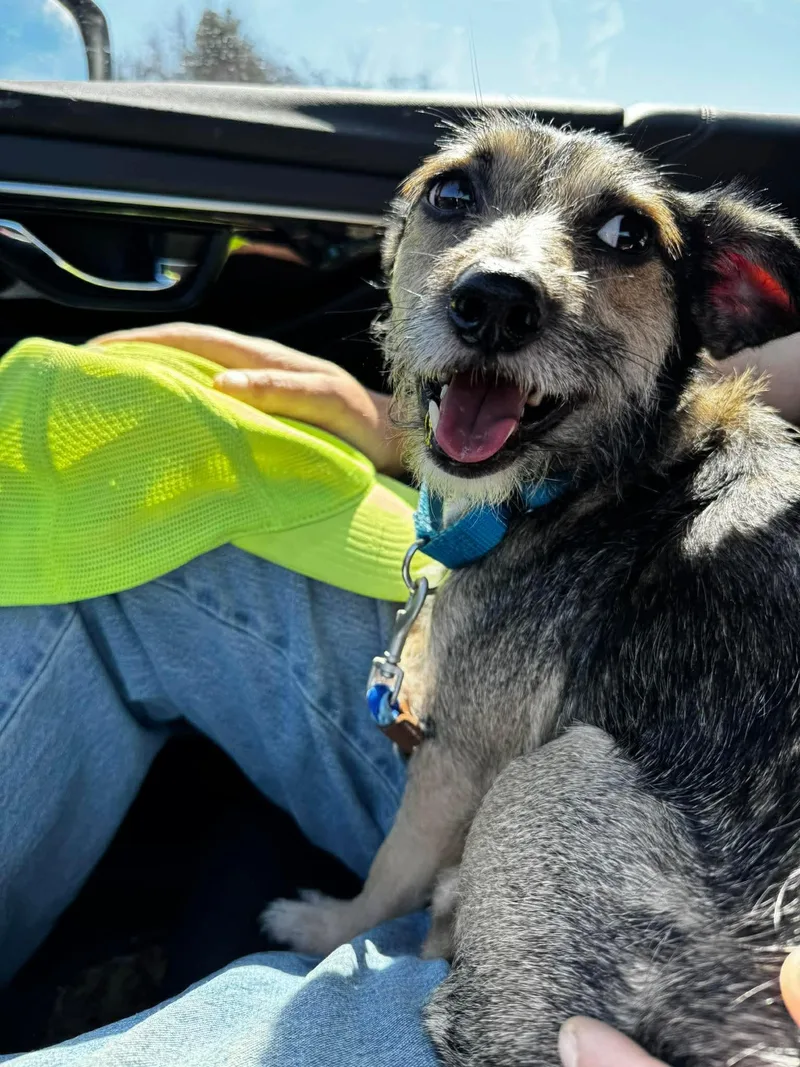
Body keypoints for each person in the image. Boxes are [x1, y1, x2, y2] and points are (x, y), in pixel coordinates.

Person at [0, 322, 797, 1067]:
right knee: (99, 514)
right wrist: (420, 432)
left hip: (666, 984)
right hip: (638, 725)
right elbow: (707, 395)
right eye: (453, 196)